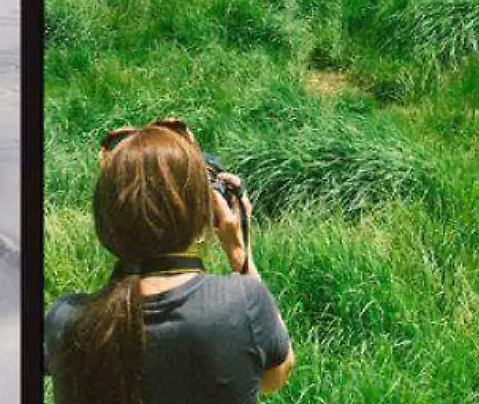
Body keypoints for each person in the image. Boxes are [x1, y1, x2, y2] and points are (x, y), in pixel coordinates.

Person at [44, 120, 294, 404]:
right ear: (200, 212)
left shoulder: (64, 320)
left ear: (106, 216)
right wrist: (239, 251)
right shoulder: (240, 304)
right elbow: (274, 376)